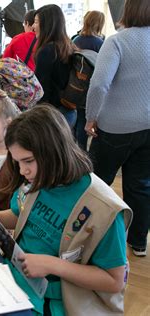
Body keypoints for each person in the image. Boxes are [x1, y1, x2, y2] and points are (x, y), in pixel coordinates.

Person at [0, 105, 131, 315]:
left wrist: (52, 265)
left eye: (28, 161)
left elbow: (114, 281)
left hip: (59, 300)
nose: (23, 171)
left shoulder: (103, 209)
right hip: (15, 280)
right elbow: (20, 215)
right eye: (18, 162)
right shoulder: (40, 179)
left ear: (54, 151)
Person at [85, 0, 150, 257]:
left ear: (128, 10)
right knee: (141, 184)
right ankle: (139, 242)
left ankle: (91, 236)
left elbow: (99, 84)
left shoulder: (117, 41)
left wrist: (91, 118)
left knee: (97, 183)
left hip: (115, 127)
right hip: (148, 127)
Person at [33, 5, 76, 128]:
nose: (33, 27)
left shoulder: (47, 50)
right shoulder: (68, 46)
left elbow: (41, 90)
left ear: (47, 24)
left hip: (53, 115)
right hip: (69, 111)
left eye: (36, 22)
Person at [72, 10, 105, 151]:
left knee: (77, 119)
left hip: (75, 85)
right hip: (91, 87)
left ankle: (76, 150)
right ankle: (83, 152)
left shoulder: (75, 40)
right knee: (84, 120)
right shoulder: (100, 43)